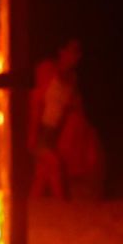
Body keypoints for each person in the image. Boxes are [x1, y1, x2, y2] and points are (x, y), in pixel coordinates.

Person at [30, 39, 83, 199]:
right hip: (39, 128)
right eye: (72, 51)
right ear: (62, 51)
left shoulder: (72, 79)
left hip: (54, 131)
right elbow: (35, 101)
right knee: (54, 164)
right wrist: (32, 134)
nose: (76, 56)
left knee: (42, 174)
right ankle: (62, 204)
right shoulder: (47, 69)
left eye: (78, 52)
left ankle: (35, 205)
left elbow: (69, 109)